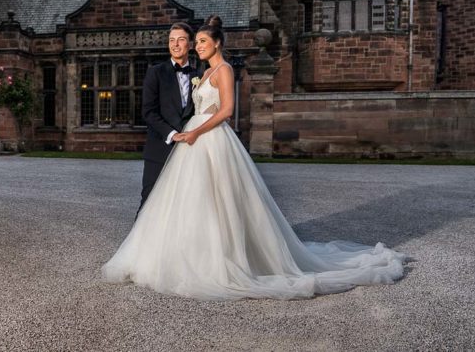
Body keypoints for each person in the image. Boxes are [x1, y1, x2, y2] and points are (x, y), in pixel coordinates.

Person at [103, 17, 407, 300]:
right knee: (171, 202)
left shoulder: (216, 71)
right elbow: (150, 112)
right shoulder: (193, 72)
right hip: (177, 144)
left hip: (208, 140)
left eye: (195, 41)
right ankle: (168, 254)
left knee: (218, 200)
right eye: (187, 42)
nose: (191, 46)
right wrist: (179, 135)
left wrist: (194, 133)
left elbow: (225, 111)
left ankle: (218, 259)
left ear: (216, 43)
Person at [139, 22, 198, 212]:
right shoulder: (155, 72)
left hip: (190, 149)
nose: (175, 44)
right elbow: (148, 111)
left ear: (190, 44)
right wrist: (172, 134)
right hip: (159, 147)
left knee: (184, 203)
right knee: (149, 199)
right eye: (172, 40)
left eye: (181, 40)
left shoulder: (200, 75)